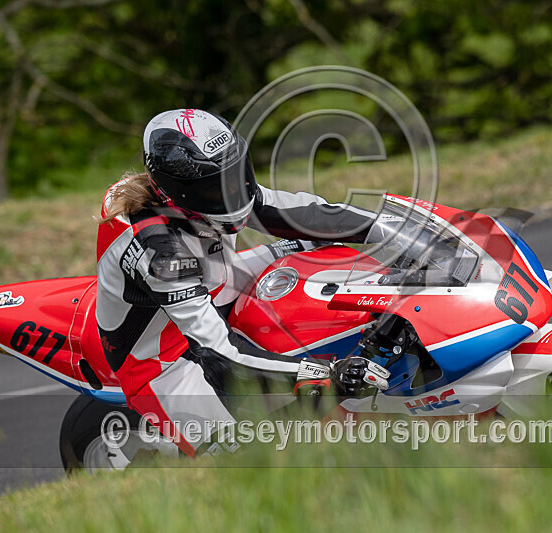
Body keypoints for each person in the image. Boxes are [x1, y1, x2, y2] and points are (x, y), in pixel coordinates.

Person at [96, 109, 389, 456]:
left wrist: (393, 230)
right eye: (215, 186)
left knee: (314, 245)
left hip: (215, 282)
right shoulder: (159, 250)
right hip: (165, 358)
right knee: (247, 461)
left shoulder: (212, 195)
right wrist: (328, 373)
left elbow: (307, 214)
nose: (233, 193)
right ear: (176, 191)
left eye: (235, 176)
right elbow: (221, 356)